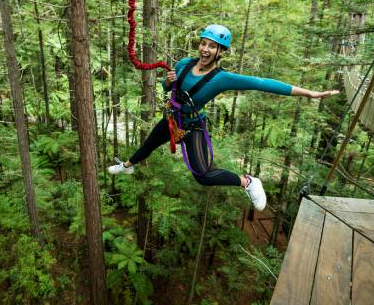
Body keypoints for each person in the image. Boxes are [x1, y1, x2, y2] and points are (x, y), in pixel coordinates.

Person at [108, 24, 339, 211]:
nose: (205, 50)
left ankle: (248, 182)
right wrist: (167, 82)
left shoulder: (222, 79)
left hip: (191, 126)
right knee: (148, 145)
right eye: (203, 43)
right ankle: (127, 166)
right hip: (172, 119)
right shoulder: (183, 64)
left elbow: (262, 84)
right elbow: (167, 88)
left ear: (222, 52)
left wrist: (309, 93)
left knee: (204, 176)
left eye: (213, 46)